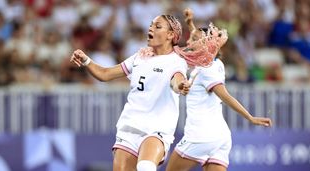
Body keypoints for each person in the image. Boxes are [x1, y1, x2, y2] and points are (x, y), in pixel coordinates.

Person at [70, 12, 218, 171]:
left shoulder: (176, 60)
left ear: (170, 35)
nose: (151, 28)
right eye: (151, 25)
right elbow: (105, 74)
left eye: (158, 26)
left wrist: (180, 86)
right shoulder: (139, 57)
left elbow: (177, 79)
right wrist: (86, 60)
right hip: (129, 128)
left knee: (145, 167)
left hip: (156, 130)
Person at [165, 8, 273, 171]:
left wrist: (250, 118)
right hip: (220, 137)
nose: (189, 42)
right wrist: (190, 23)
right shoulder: (214, 63)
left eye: (194, 39)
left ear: (206, 45)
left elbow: (225, 96)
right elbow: (199, 37)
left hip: (200, 136)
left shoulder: (207, 68)